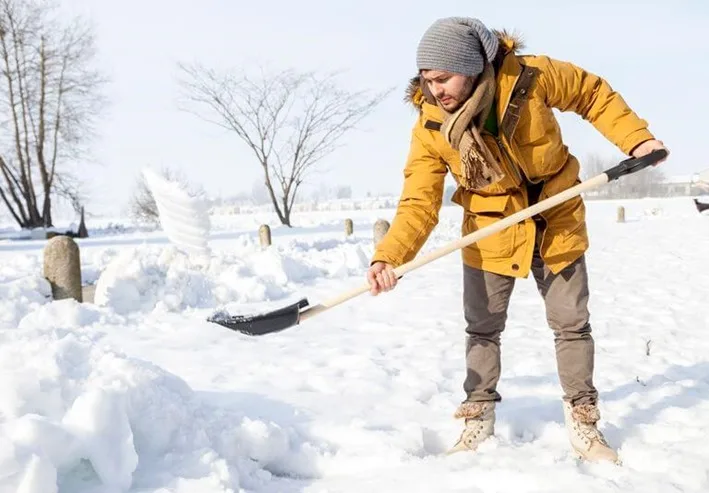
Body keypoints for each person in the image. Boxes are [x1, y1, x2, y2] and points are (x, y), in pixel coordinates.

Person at [366, 17, 669, 463]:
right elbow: (418, 200)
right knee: (483, 328)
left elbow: (592, 94)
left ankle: (584, 421)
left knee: (571, 324)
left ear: (471, 67)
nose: (435, 91)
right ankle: (478, 417)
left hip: (556, 215)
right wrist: (388, 256)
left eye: (443, 78)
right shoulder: (432, 127)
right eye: (427, 81)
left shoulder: (531, 78)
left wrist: (637, 140)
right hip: (491, 229)